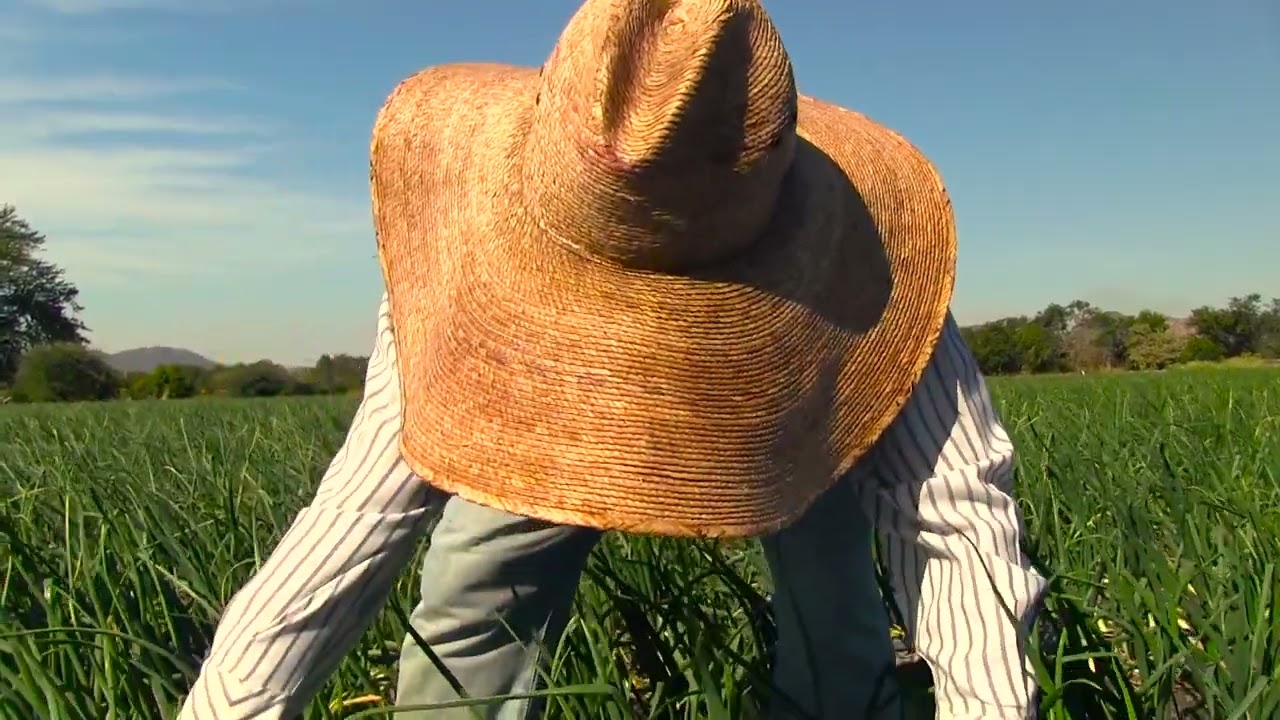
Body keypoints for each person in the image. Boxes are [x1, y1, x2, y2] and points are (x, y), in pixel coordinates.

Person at [177, 1, 1047, 718]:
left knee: (837, 616)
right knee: (476, 600)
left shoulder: (866, 268)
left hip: (791, 410)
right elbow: (362, 516)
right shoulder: (471, 273)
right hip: (537, 398)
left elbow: (956, 517)